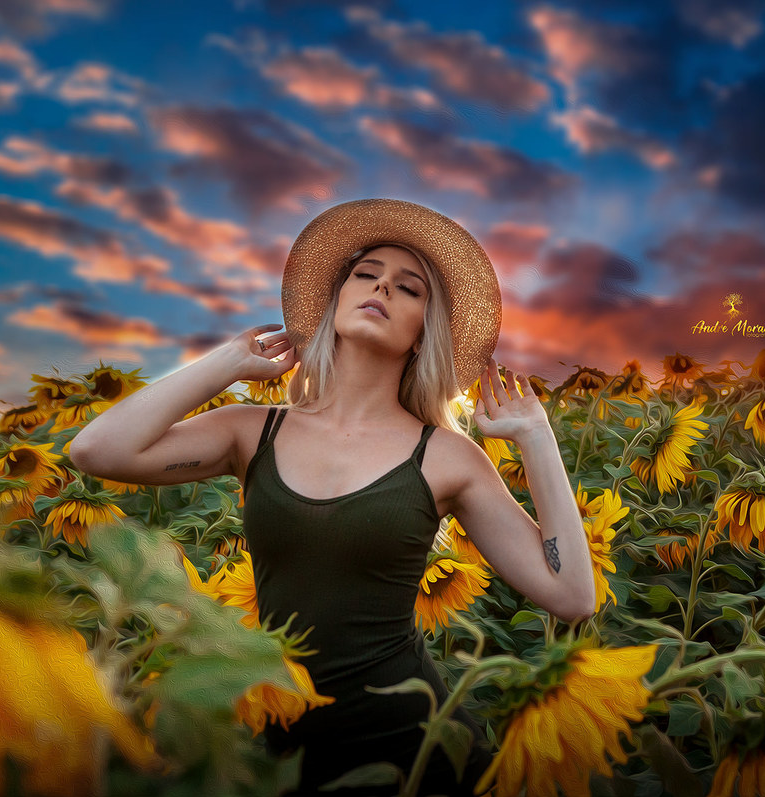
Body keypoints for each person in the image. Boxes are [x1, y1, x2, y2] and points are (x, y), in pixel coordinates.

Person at [70, 198, 596, 796]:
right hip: (283, 737)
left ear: (427, 331)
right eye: (365, 274)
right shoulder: (252, 431)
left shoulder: (446, 456)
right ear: (335, 301)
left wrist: (536, 436)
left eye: (410, 288)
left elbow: (572, 596)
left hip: (413, 749)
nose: (382, 288)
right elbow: (96, 451)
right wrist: (227, 363)